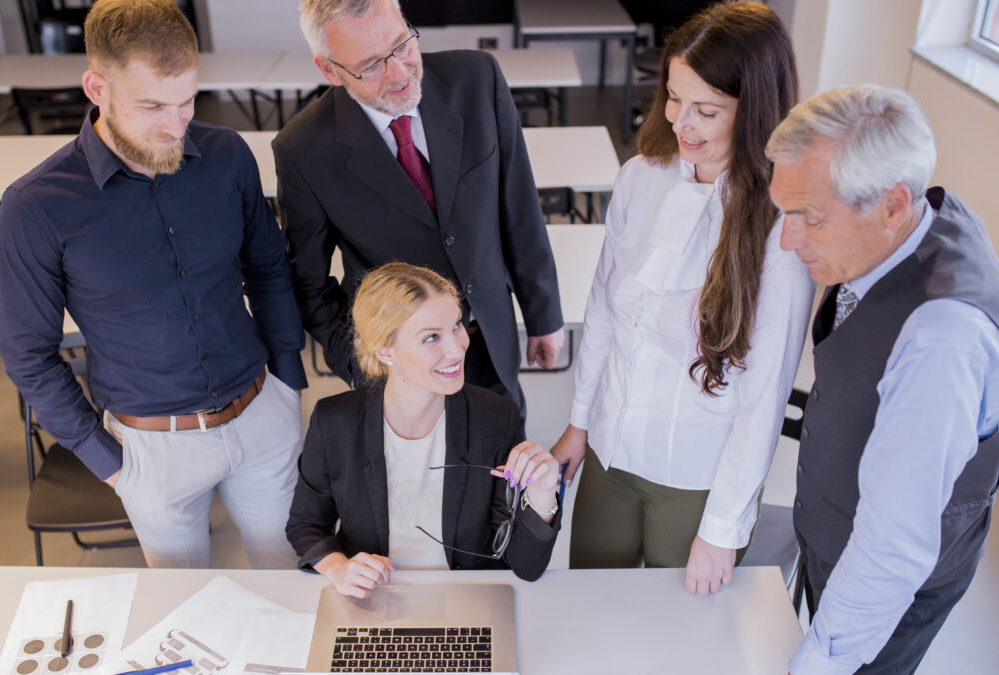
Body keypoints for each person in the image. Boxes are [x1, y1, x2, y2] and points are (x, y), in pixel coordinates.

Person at [0, 0, 307, 569]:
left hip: (262, 413)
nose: (175, 124)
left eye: (187, 101)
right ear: (97, 87)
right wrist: (108, 461)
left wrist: (288, 382)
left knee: (292, 587)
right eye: (152, 106)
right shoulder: (36, 206)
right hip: (150, 449)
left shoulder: (226, 155)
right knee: (185, 619)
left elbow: (267, 268)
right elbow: (27, 354)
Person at [549, 1, 814, 595]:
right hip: (611, 455)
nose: (680, 122)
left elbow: (765, 395)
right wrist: (578, 424)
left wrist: (721, 529)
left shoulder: (779, 227)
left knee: (679, 637)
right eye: (673, 97)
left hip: (695, 474)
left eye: (707, 110)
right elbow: (602, 314)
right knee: (593, 609)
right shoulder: (640, 176)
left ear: (755, 111)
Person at [767, 85, 999, 674]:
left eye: (809, 219)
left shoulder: (941, 339)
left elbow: (892, 543)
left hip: (887, 594)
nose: (788, 240)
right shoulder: (912, 223)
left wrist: (820, 660)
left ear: (894, 204)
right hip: (840, 532)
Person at [272, 0, 565, 416]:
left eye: (401, 45)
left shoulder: (477, 79)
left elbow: (517, 205)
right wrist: (365, 369)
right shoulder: (302, 149)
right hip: (402, 368)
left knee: (504, 464)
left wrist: (544, 316)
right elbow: (309, 286)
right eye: (371, 66)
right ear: (330, 71)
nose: (399, 73)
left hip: (491, 339)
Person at [287, 263, 560, 595]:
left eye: (458, 325)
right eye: (432, 337)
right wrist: (338, 568)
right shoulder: (335, 421)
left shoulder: (495, 417)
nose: (457, 348)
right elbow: (306, 524)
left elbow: (525, 567)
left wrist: (543, 495)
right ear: (385, 350)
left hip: (468, 600)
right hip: (375, 599)